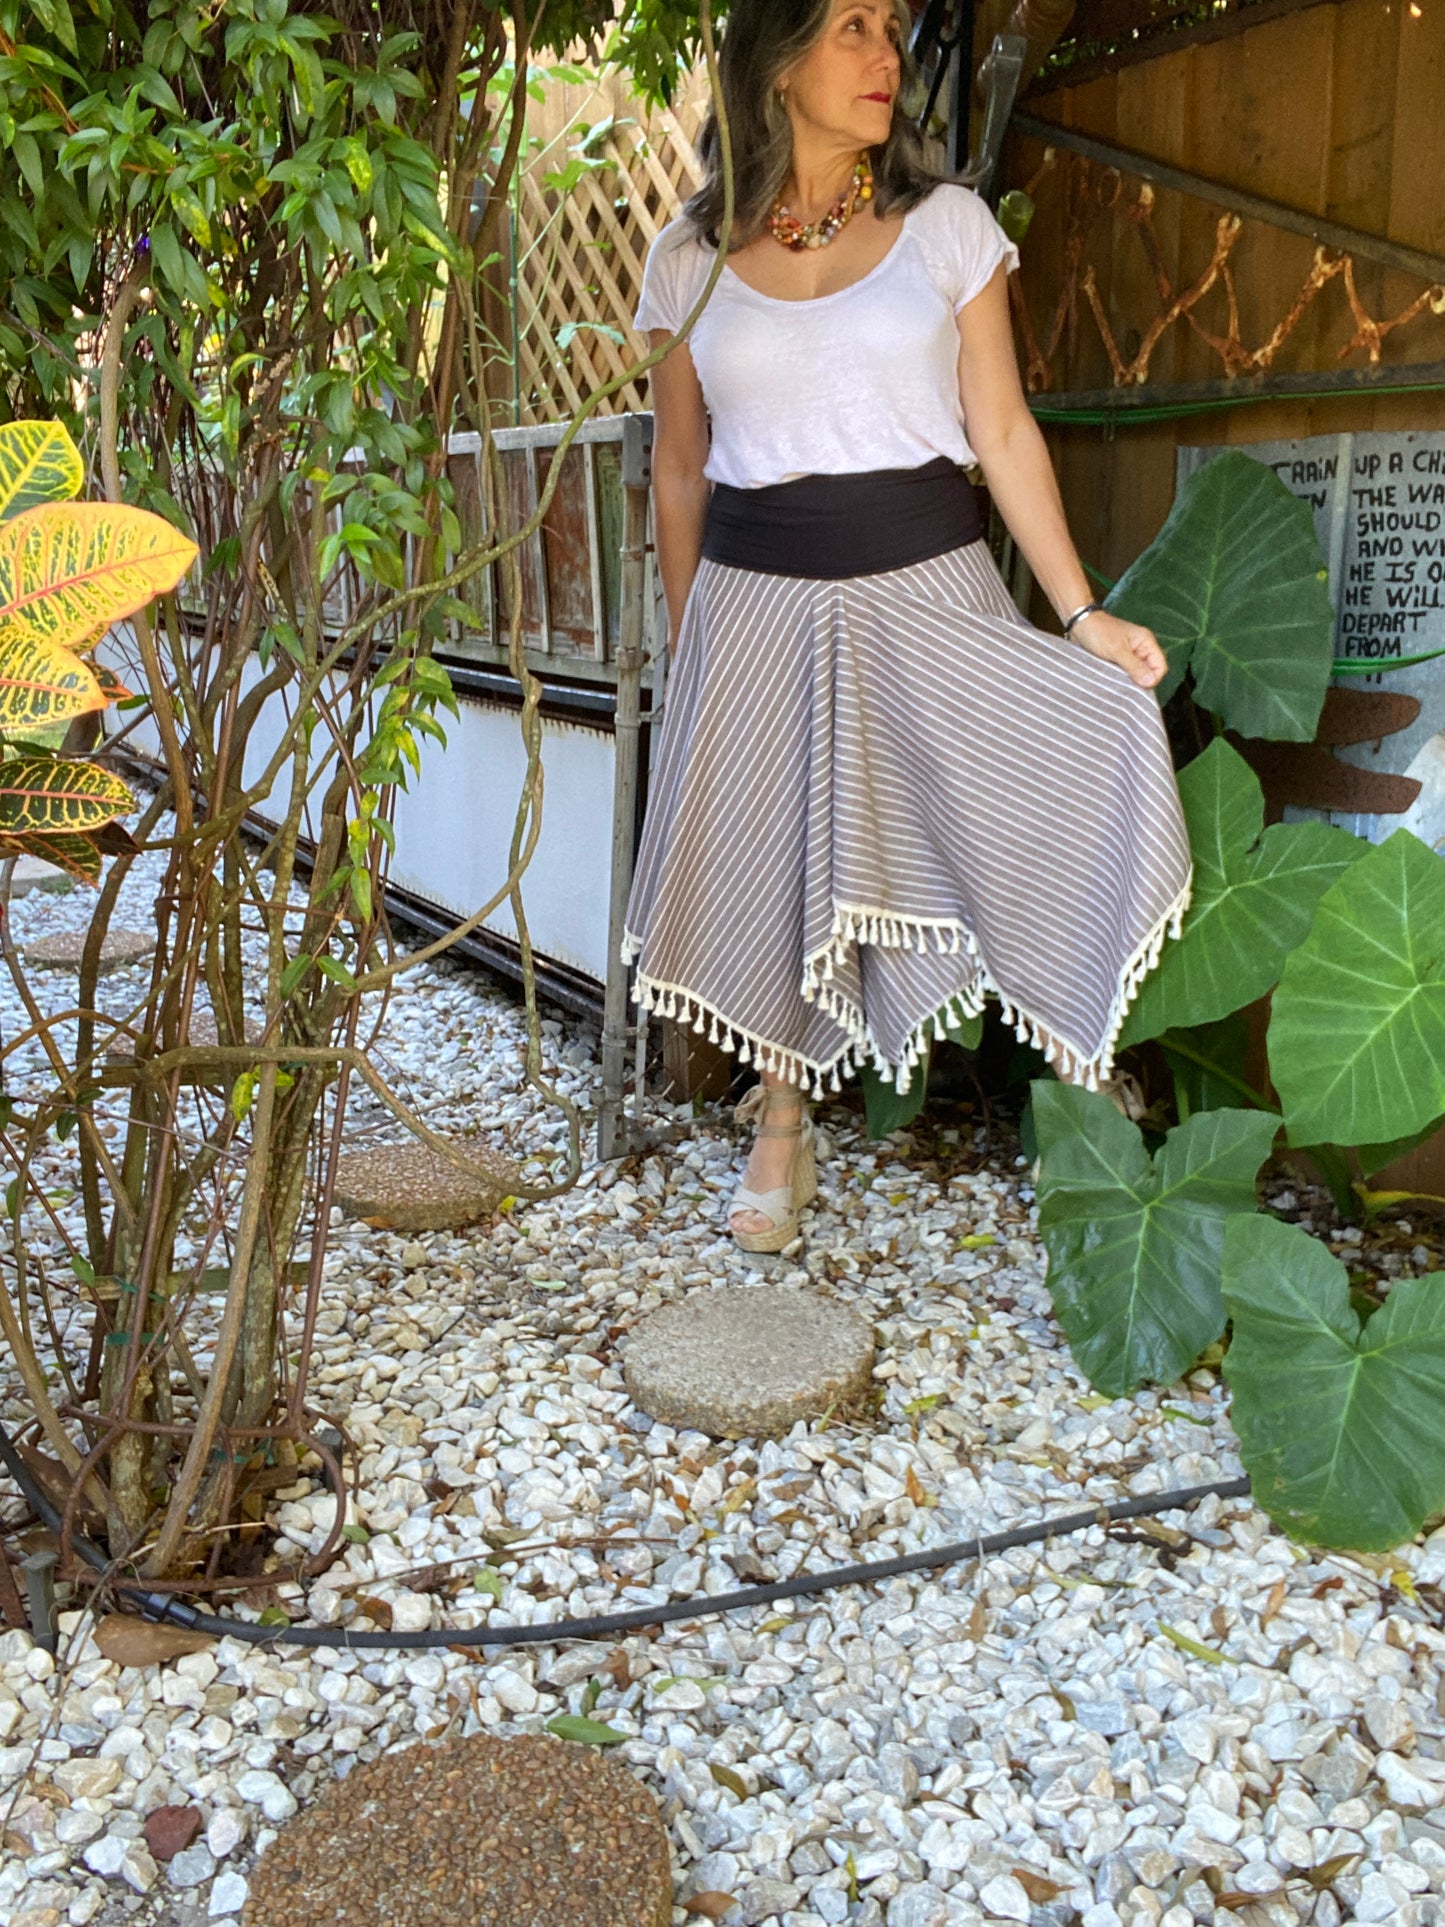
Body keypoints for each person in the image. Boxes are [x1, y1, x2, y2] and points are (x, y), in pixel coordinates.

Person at [620, 0, 1193, 1254]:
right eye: (854, 29)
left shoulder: (944, 229)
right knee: (776, 852)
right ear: (775, 67)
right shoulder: (686, 258)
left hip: (929, 585)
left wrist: (1081, 610)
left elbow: (999, 429)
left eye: (891, 30)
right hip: (756, 604)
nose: (887, 58)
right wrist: (691, 644)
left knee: (1015, 801)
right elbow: (679, 469)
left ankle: (1084, 1079)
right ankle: (782, 1119)